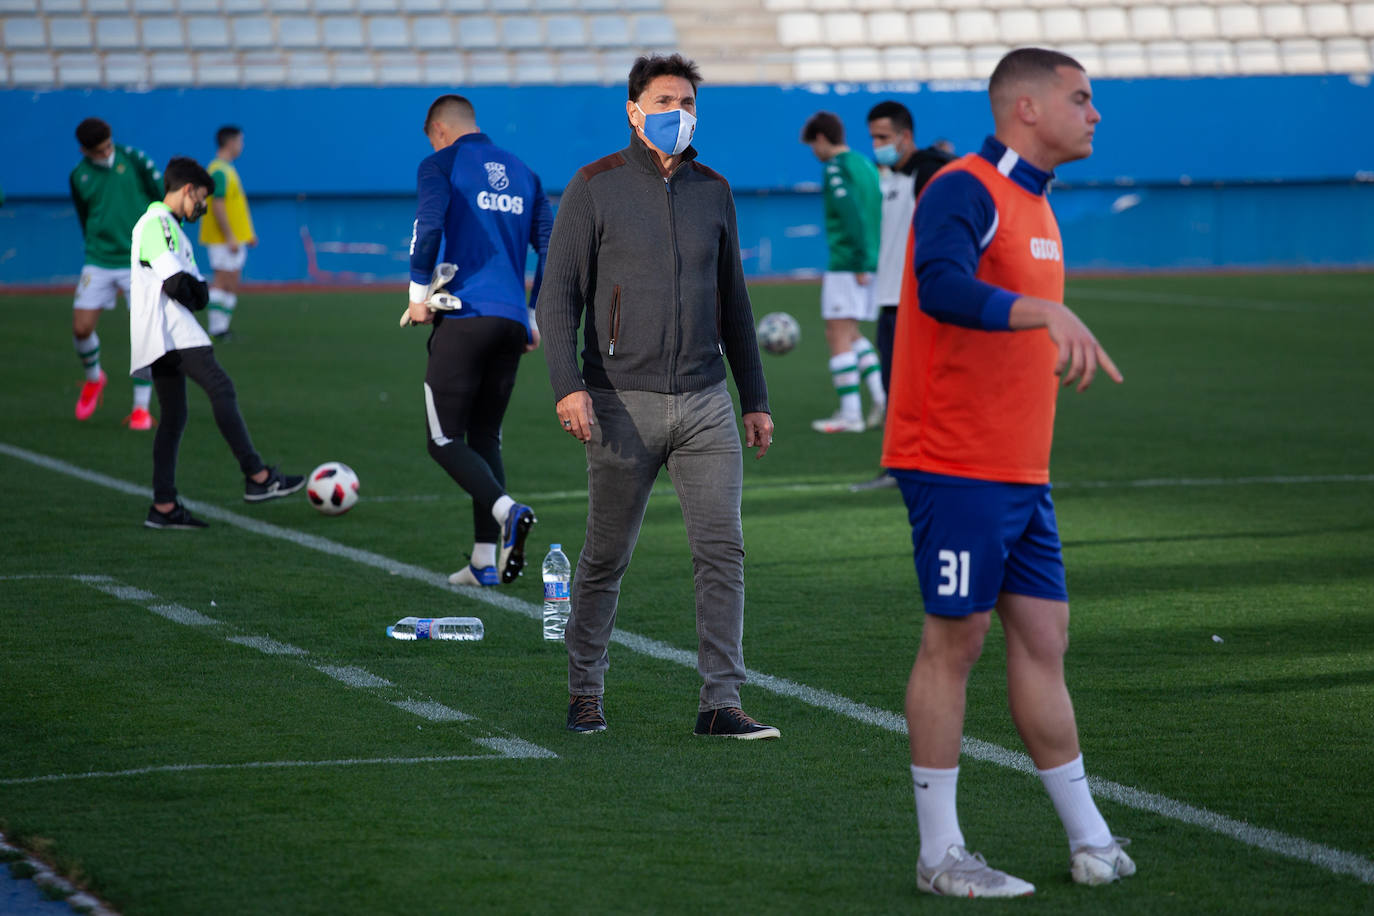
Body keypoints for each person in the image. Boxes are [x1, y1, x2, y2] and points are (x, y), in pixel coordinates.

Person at [881, 48, 1134, 896]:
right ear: (1025, 107)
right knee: (956, 641)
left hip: (1022, 471)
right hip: (953, 461)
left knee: (1043, 640)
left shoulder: (1037, 202)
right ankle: (938, 855)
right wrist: (1045, 310)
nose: (1094, 113)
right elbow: (940, 285)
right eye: (1081, 98)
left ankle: (1090, 837)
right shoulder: (961, 185)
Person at [541, 53, 779, 740]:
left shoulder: (714, 189)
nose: (681, 113)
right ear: (634, 109)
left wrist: (754, 396)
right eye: (667, 100)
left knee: (722, 550)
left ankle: (720, 701)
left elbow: (733, 299)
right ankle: (585, 691)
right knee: (606, 556)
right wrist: (568, 387)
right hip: (619, 402)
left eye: (689, 101)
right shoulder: (594, 186)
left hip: (706, 402)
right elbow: (558, 296)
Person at [405, 94, 552, 587]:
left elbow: (427, 230)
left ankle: (509, 511)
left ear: (440, 129)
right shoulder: (525, 172)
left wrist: (417, 296)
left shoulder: (441, 163)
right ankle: (483, 561)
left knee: (444, 438)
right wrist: (534, 315)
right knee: (485, 436)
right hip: (511, 321)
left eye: (431, 137)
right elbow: (552, 247)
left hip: (466, 314)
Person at [129, 157, 304, 529]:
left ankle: (162, 507)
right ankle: (257, 477)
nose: (203, 206)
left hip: (161, 333)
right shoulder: (156, 223)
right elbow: (178, 284)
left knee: (174, 417)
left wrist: (196, 290)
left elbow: (200, 291)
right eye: (201, 198)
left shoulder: (169, 227)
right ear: (187, 189)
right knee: (220, 388)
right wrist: (194, 291)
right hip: (172, 329)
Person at [850, 101, 954, 492]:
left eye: (883, 137)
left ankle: (928, 466)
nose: (877, 145)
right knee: (898, 390)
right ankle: (902, 466)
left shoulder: (927, 173)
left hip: (917, 303)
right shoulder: (891, 178)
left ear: (905, 136)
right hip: (890, 302)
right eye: (873, 138)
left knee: (924, 391)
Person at [69, 117, 162, 430]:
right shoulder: (79, 176)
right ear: (85, 150)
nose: (107, 152)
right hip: (99, 258)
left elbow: (160, 197)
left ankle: (140, 408)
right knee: (81, 328)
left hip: (138, 258)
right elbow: (85, 217)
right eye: (99, 150)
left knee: (144, 332)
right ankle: (95, 379)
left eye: (109, 144)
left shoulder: (134, 159)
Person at [800, 111, 883, 434]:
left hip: (849, 263)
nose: (813, 152)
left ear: (821, 138)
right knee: (850, 334)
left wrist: (860, 260)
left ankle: (851, 415)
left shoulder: (836, 168)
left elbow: (852, 215)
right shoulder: (864, 163)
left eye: (812, 145)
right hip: (867, 261)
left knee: (837, 335)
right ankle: (881, 396)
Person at [199, 125, 257, 341]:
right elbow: (218, 206)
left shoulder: (226, 169)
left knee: (232, 282)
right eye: (240, 141)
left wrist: (246, 234)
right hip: (222, 239)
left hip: (233, 238)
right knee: (222, 281)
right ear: (230, 142)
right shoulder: (219, 171)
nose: (242, 146)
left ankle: (222, 328)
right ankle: (216, 329)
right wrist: (231, 236)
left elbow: (235, 206)